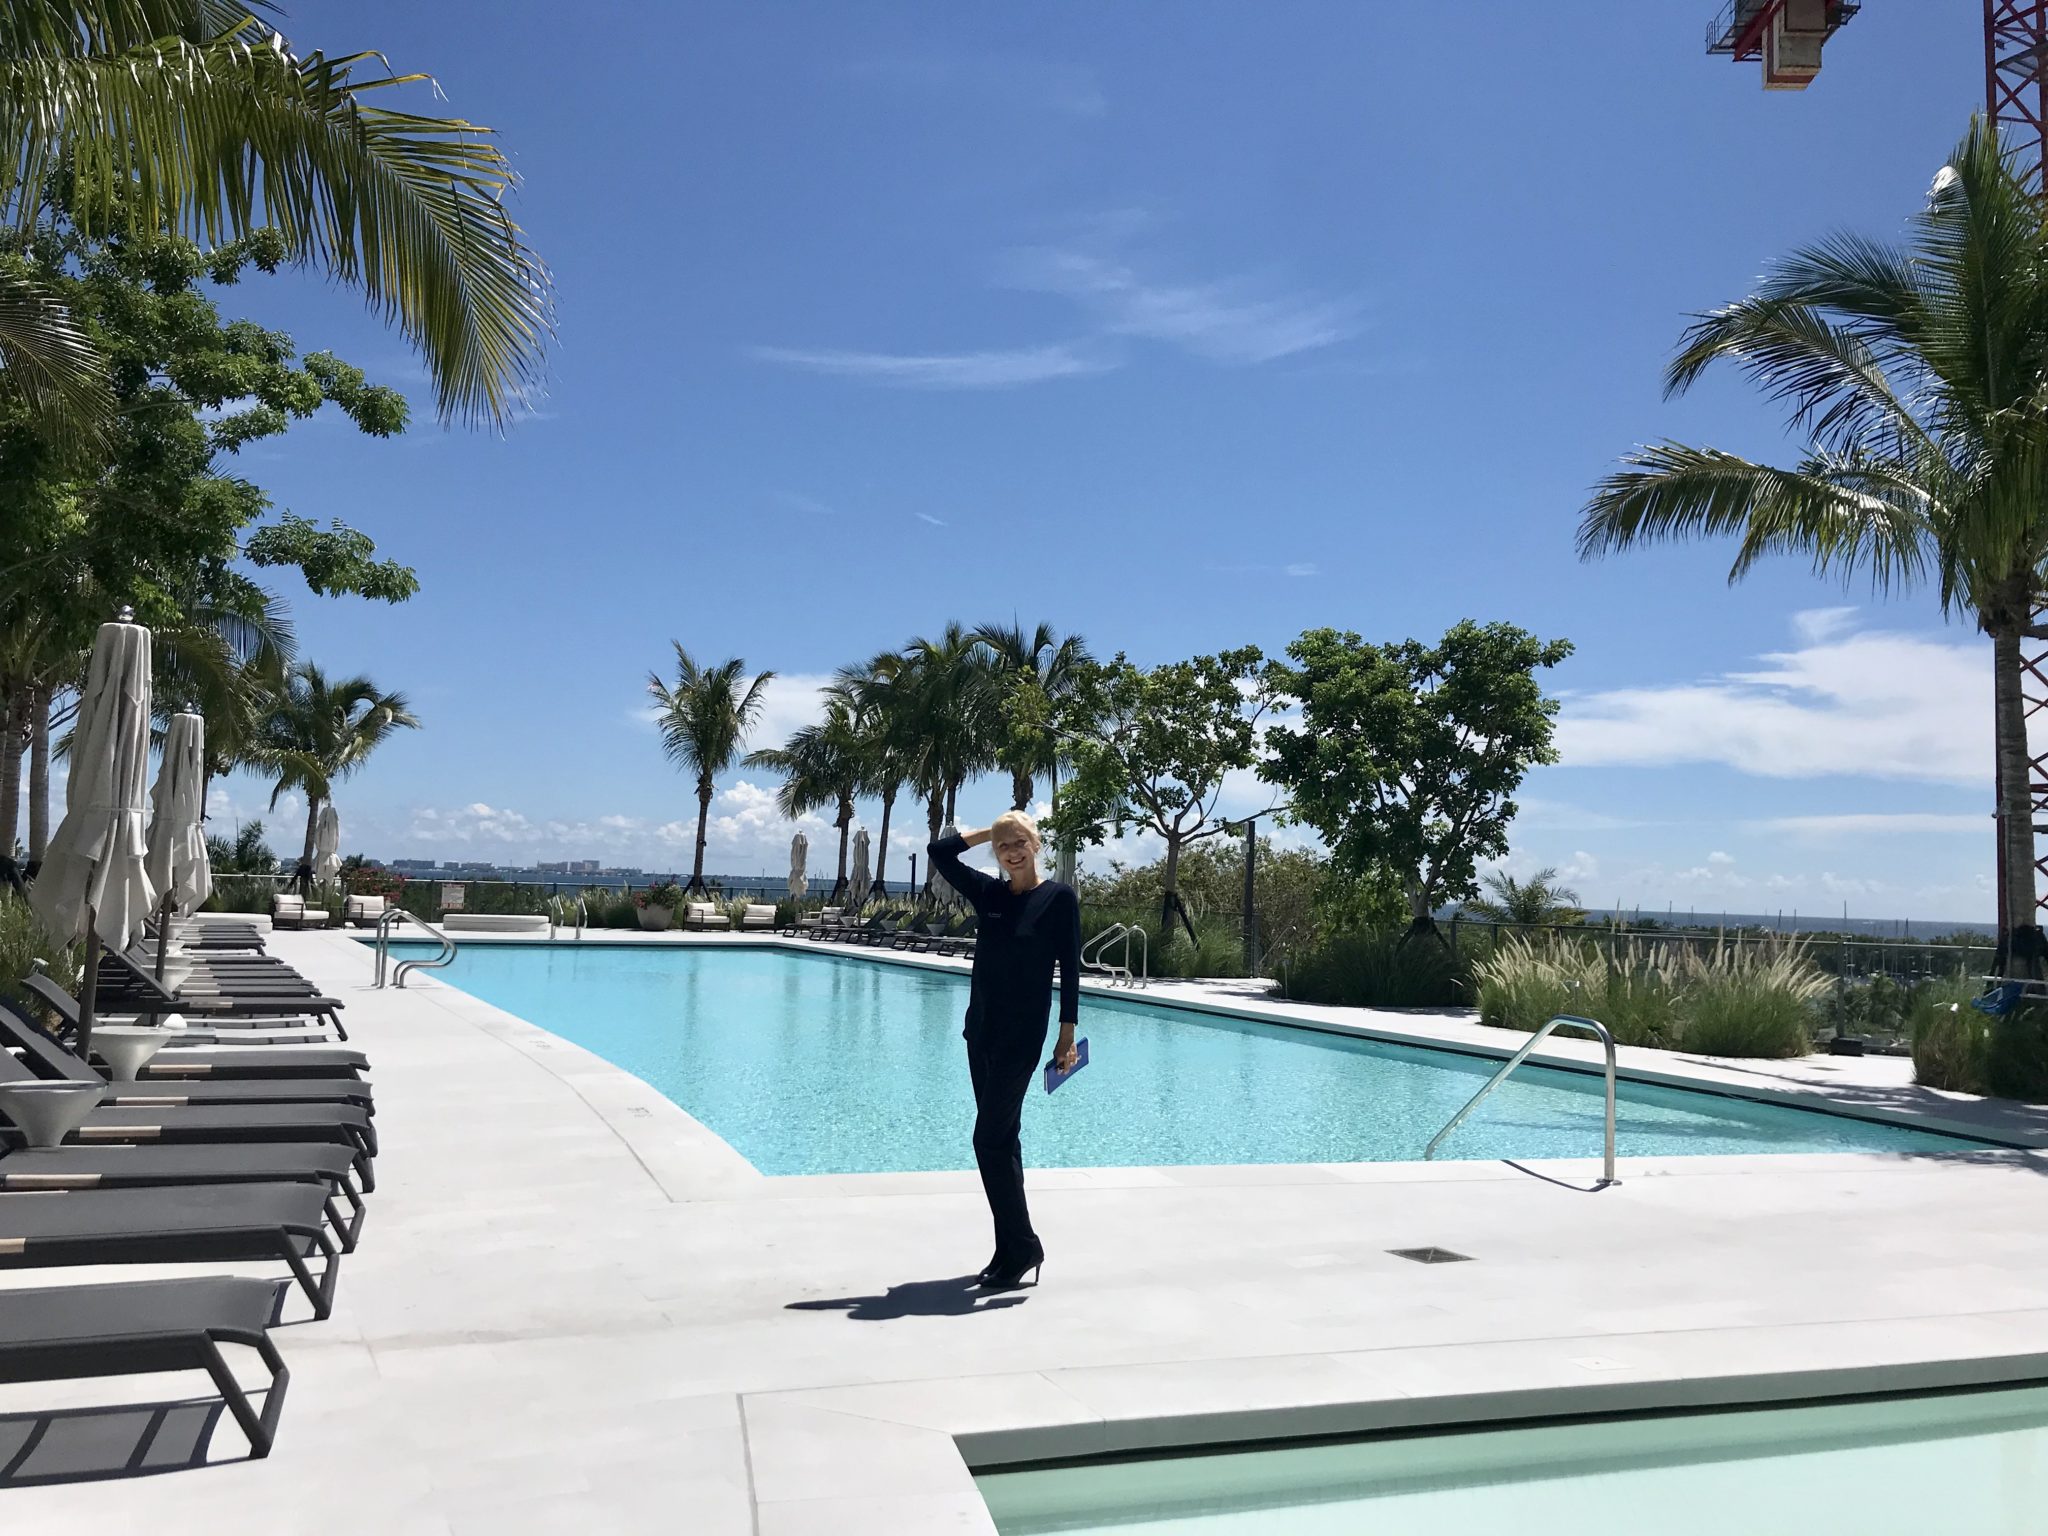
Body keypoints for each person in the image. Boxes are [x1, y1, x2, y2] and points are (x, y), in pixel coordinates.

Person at [926, 811, 1082, 1291]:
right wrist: (988, 832)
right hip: (980, 1033)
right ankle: (1010, 1248)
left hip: (1021, 1038)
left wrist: (1067, 1034)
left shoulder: (1058, 898)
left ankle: (1025, 1244)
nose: (1012, 852)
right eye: (1003, 846)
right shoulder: (989, 894)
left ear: (1036, 844)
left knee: (988, 1140)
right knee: (1004, 1141)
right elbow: (940, 853)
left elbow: (1070, 970)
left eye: (1019, 842)